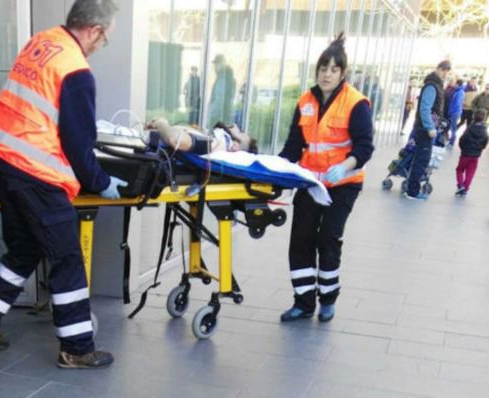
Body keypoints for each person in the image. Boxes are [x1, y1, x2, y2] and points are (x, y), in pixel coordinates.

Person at [0, 0, 124, 369]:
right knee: (67, 258)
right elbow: (79, 143)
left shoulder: (41, 42)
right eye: (105, 39)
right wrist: (100, 181)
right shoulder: (77, 70)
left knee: (24, 248)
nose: (101, 46)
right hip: (37, 173)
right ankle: (77, 349)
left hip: (4, 161)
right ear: (95, 31)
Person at [277, 33, 373, 323]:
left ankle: (328, 299)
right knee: (301, 241)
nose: (327, 74)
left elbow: (365, 146)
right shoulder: (306, 101)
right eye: (322, 69)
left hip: (343, 185)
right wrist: (275, 170)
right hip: (311, 182)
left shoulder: (355, 103)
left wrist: (346, 166)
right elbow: (294, 146)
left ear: (342, 73)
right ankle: (304, 302)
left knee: (328, 239)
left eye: (333, 70)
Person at [405, 60, 451, 200]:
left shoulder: (435, 86)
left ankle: (411, 189)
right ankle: (412, 192)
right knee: (422, 160)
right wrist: (430, 127)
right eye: (444, 71)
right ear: (439, 69)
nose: (445, 75)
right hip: (425, 130)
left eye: (447, 72)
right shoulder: (432, 86)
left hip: (426, 129)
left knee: (420, 159)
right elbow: (425, 108)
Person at [146, 117, 257, 154]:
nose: (235, 125)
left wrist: (161, 124)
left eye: (240, 132)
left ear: (235, 146)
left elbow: (175, 140)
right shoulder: (213, 139)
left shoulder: (215, 143)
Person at [455, 109, 488, 196]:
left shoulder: (469, 129)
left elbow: (462, 140)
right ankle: (465, 188)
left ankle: (460, 185)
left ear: (474, 117)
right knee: (470, 172)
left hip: (465, 154)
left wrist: (462, 148)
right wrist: (479, 149)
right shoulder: (484, 131)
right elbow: (485, 142)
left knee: (459, 170)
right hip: (475, 156)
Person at [208, 54, 236, 126]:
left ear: (222, 64)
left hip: (218, 118)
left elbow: (219, 99)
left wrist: (210, 114)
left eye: (216, 64)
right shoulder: (230, 78)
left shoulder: (222, 78)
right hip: (226, 116)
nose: (215, 67)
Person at [445, 78, 465, 147]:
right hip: (455, 112)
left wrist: (451, 111)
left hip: (455, 113)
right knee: (452, 127)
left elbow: (457, 104)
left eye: (455, 83)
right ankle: (451, 141)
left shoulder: (460, 92)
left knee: (453, 128)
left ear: (457, 84)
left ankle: (451, 142)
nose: (454, 85)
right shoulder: (458, 91)